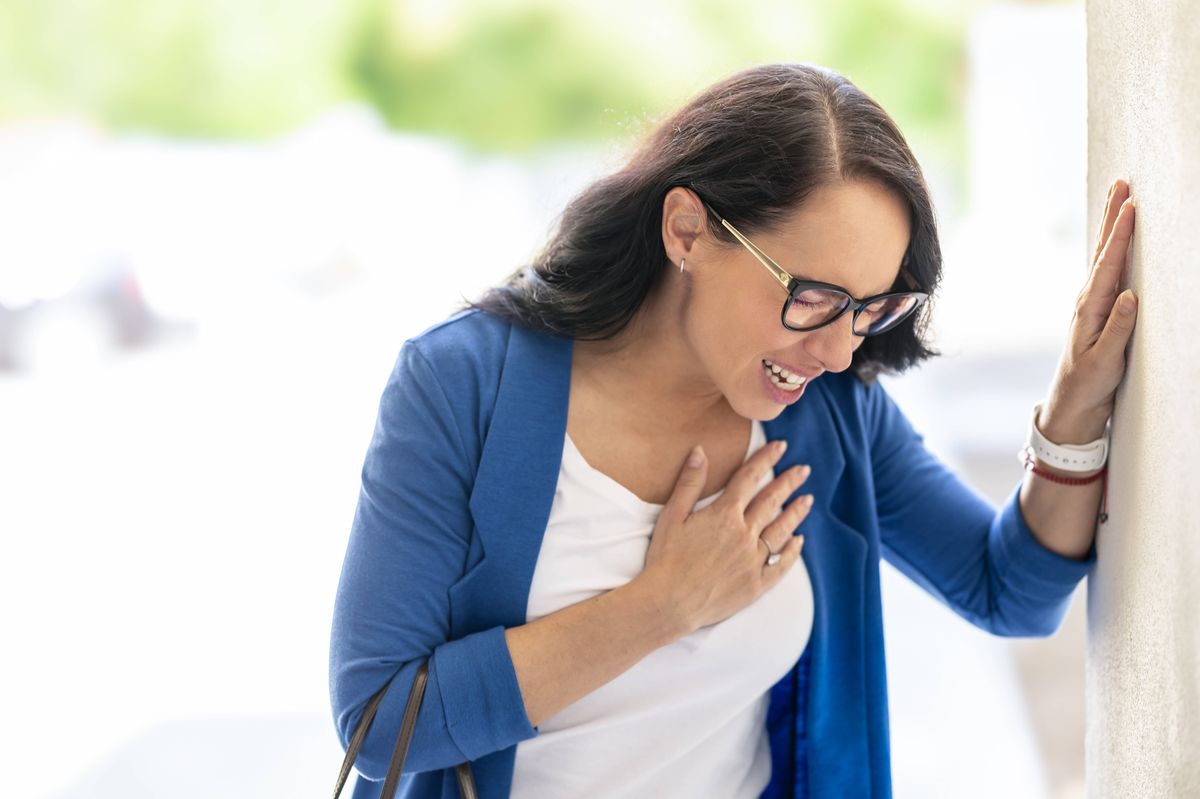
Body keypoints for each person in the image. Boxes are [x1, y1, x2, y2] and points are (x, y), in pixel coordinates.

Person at [328, 62, 1138, 798]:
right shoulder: (463, 383)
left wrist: (1074, 404)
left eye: (870, 309)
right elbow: (378, 720)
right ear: (687, 231)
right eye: (813, 296)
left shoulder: (828, 411)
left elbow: (1011, 591)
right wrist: (660, 605)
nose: (836, 348)